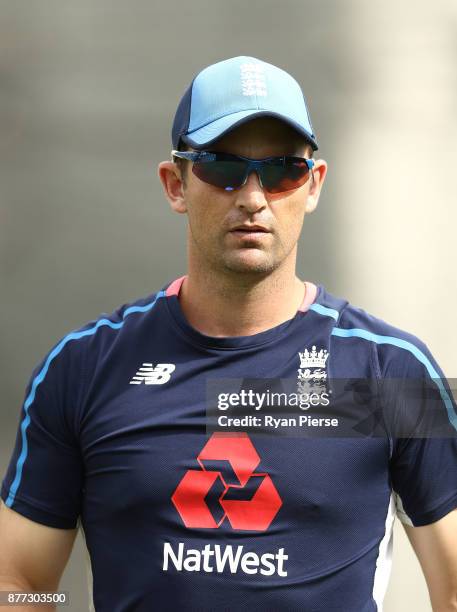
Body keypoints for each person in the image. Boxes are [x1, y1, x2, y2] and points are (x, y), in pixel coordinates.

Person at [0, 55, 456, 612]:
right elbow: (19, 582)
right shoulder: (89, 368)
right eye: (222, 167)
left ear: (313, 185)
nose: (253, 198)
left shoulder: (389, 374)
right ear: (176, 184)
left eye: (283, 170)